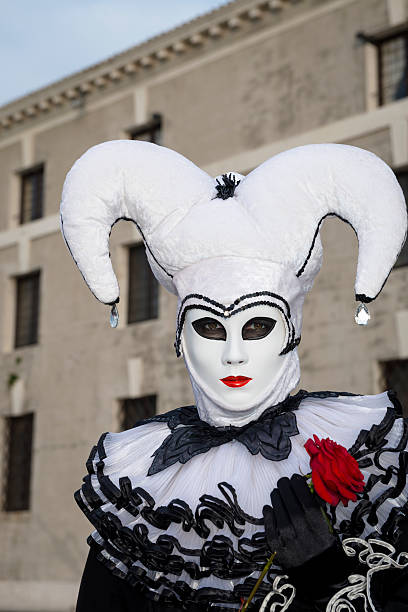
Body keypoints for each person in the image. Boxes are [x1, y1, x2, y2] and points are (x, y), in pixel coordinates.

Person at [60, 141, 408, 611]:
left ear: (292, 330)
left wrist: (327, 578)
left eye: (258, 325)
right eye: (208, 327)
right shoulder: (141, 486)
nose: (234, 354)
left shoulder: (368, 452)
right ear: (181, 338)